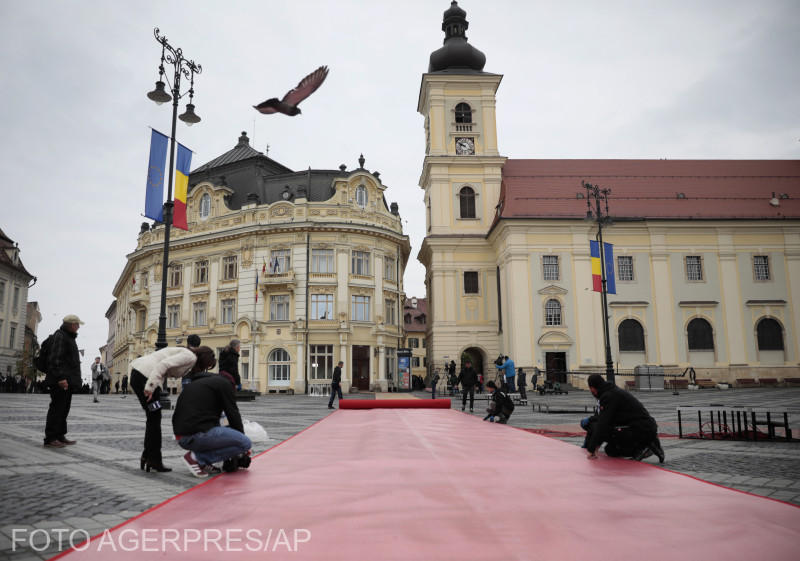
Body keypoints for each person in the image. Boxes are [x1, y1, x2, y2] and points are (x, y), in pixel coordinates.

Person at [129, 345, 217, 473]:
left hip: (140, 374)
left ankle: (149, 456)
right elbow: (163, 364)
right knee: (154, 418)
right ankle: (153, 459)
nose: (205, 369)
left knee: (153, 418)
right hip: (146, 377)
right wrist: (150, 386)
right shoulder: (190, 356)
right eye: (207, 366)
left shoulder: (188, 355)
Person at [173, 367, 253, 478]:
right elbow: (233, 414)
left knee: (224, 435)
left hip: (182, 436)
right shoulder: (224, 384)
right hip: (195, 434)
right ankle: (196, 458)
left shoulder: (203, 384)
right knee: (245, 443)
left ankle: (203, 462)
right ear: (232, 385)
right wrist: (242, 443)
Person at [584, 374, 665, 463]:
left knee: (600, 428)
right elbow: (601, 419)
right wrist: (591, 445)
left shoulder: (609, 396)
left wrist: (592, 449)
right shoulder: (610, 392)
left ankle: (645, 447)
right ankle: (647, 445)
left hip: (642, 428)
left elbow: (603, 424)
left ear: (592, 388)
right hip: (641, 427)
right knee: (611, 450)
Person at [43, 315, 84, 448]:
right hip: (60, 381)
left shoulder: (68, 337)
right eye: (77, 324)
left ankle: (60, 435)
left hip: (68, 381)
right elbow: (55, 359)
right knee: (56, 409)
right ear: (71, 325)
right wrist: (60, 378)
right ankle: (50, 438)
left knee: (63, 409)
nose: (78, 327)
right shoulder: (60, 336)